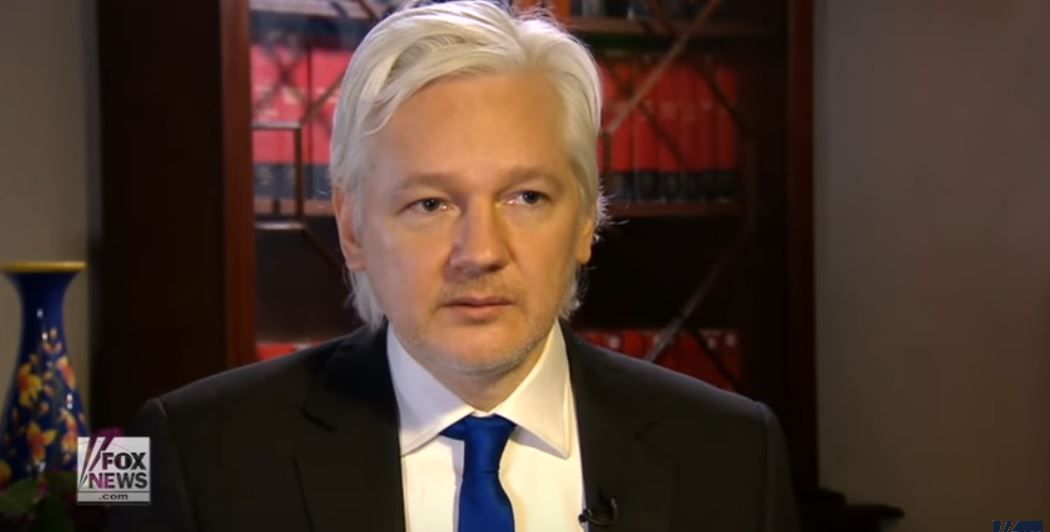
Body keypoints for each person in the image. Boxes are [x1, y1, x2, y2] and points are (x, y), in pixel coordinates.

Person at [108, 1, 798, 530]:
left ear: (587, 219)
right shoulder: (189, 452)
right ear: (352, 227)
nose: (481, 252)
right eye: (431, 204)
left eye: (527, 197)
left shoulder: (737, 453)